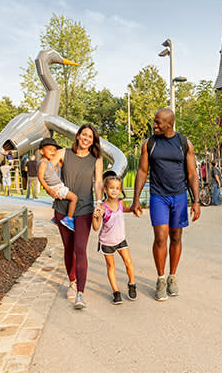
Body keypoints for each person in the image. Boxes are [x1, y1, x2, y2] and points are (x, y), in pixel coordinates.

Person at [130, 108, 201, 301]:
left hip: (178, 197)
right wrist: (136, 199)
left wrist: (196, 200)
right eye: (155, 121)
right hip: (158, 197)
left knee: (176, 237)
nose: (154, 125)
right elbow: (142, 172)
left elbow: (192, 174)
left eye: (158, 122)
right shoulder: (149, 144)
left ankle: (172, 277)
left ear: (169, 124)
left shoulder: (184, 144)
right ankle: (161, 279)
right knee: (160, 237)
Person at [50, 123, 103, 309]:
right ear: (78, 136)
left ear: (93, 141)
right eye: (84, 135)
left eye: (90, 137)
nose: (86, 139)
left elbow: (98, 183)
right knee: (68, 248)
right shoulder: (64, 153)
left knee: (80, 248)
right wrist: (51, 190)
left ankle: (80, 292)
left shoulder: (96, 159)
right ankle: (72, 281)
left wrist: (99, 202)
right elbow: (47, 170)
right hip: (62, 207)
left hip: (85, 208)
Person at [92, 176, 137, 305]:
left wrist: (135, 209)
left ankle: (132, 284)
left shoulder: (121, 203)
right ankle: (116, 292)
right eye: (111, 188)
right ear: (105, 190)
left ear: (120, 190)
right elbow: (95, 227)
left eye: (117, 188)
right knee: (111, 266)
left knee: (128, 262)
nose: (114, 191)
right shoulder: (103, 208)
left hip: (121, 239)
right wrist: (95, 216)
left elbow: (126, 209)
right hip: (107, 242)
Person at [37, 138, 78, 231]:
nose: (53, 152)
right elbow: (40, 177)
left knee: (65, 199)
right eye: (50, 149)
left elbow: (54, 169)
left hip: (57, 185)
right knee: (74, 198)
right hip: (54, 187)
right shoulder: (42, 163)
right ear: (41, 151)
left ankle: (56, 218)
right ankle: (69, 219)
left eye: (54, 150)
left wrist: (55, 167)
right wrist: (48, 189)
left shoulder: (48, 162)